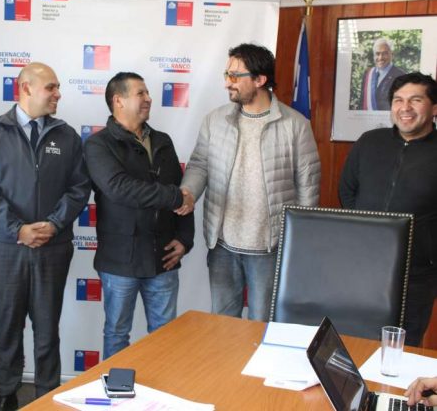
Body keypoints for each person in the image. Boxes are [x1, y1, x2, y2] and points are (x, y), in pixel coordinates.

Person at [0, 62, 91, 411]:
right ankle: (6, 393)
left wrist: (53, 224)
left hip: (53, 246)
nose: (58, 94)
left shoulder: (66, 135)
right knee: (8, 324)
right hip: (6, 247)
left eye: (57, 87)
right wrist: (17, 229)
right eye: (51, 87)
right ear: (25, 88)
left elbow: (79, 188)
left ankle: (46, 394)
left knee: (47, 327)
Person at [179, 43, 321, 321]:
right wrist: (188, 193)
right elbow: (199, 165)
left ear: (260, 79)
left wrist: (299, 243)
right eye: (227, 74)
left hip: (269, 249)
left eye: (235, 76)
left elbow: (308, 187)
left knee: (260, 327)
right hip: (222, 245)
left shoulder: (296, 125)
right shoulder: (214, 121)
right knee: (221, 325)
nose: (227, 83)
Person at [83, 72, 194, 359]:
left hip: (163, 258)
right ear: (118, 100)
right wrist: (173, 197)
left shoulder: (162, 140)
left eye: (148, 93)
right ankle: (116, 388)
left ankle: (162, 386)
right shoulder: (98, 145)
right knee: (117, 333)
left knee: (165, 334)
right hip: (119, 261)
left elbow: (182, 191)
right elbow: (120, 189)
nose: (148, 99)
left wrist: (185, 238)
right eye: (140, 93)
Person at [340, 72, 437, 346]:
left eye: (415, 100)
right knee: (354, 339)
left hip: (416, 273)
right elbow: (347, 190)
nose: (405, 108)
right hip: (362, 263)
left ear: (434, 108)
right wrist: (365, 228)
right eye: (398, 100)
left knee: (403, 346)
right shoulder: (370, 141)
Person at [358, 38, 406, 111]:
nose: (380, 58)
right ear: (374, 56)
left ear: (392, 54)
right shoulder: (368, 74)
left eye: (384, 53)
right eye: (377, 54)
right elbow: (362, 102)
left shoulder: (401, 76)